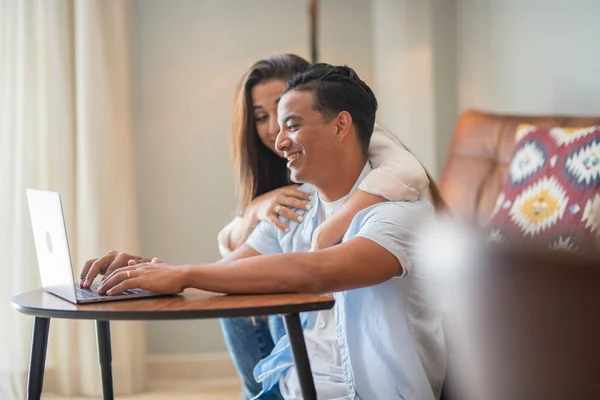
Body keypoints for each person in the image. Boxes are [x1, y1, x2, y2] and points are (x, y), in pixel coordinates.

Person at [83, 63, 446, 399]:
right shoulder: (297, 208)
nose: (279, 140)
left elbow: (318, 270)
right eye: (271, 122)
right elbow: (226, 273)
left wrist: (184, 274)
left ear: (340, 126)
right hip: (291, 388)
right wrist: (148, 271)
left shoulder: (400, 215)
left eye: (292, 125)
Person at [215, 54, 442, 399]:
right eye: (262, 118)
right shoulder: (294, 192)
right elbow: (228, 259)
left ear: (338, 123)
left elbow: (410, 175)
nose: (274, 131)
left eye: (287, 118)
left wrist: (326, 230)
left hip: (380, 296)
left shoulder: (380, 160)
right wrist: (252, 213)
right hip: (309, 353)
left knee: (279, 288)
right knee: (239, 290)